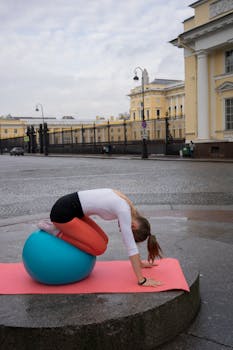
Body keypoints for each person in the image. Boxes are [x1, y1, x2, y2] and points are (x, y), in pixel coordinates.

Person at [38, 188, 163, 287]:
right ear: (134, 226)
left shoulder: (127, 206)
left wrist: (140, 263)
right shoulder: (124, 211)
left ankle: (61, 229)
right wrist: (142, 280)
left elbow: (130, 242)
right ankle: (55, 230)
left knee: (104, 240)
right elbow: (130, 246)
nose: (120, 229)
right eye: (122, 230)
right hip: (62, 214)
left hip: (73, 210)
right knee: (99, 248)